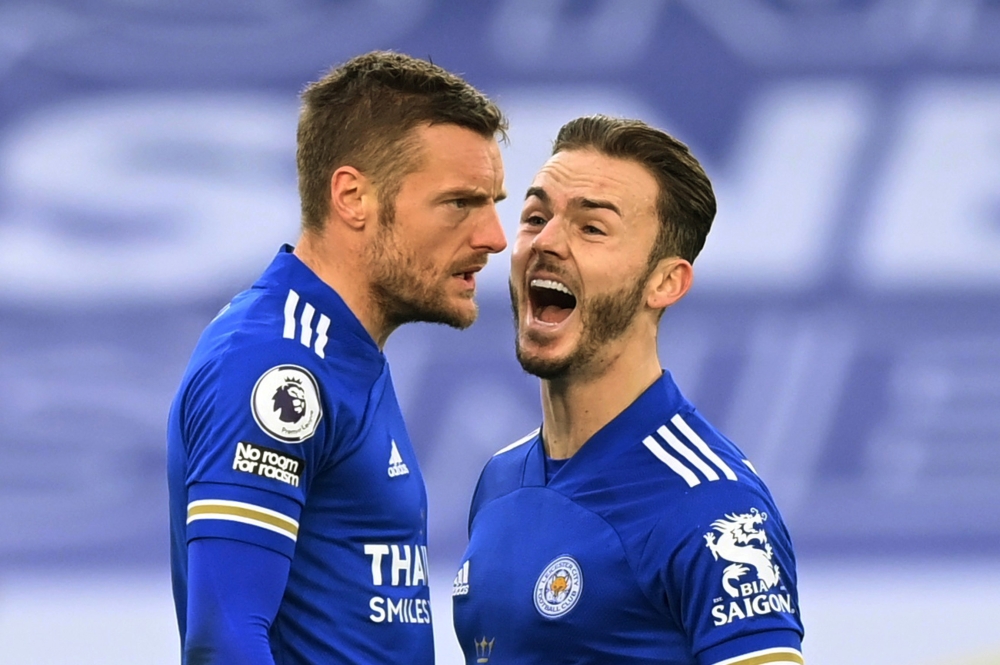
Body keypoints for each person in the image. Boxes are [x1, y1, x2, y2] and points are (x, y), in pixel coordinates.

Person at [167, 51, 508, 664]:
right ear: (353, 197)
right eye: (460, 202)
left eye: (493, 203)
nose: (493, 237)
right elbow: (223, 639)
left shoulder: (341, 350)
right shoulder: (276, 365)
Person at [452, 115, 804, 664]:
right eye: (535, 217)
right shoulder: (500, 479)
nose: (546, 242)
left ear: (666, 282)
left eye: (591, 228)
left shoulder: (713, 505)